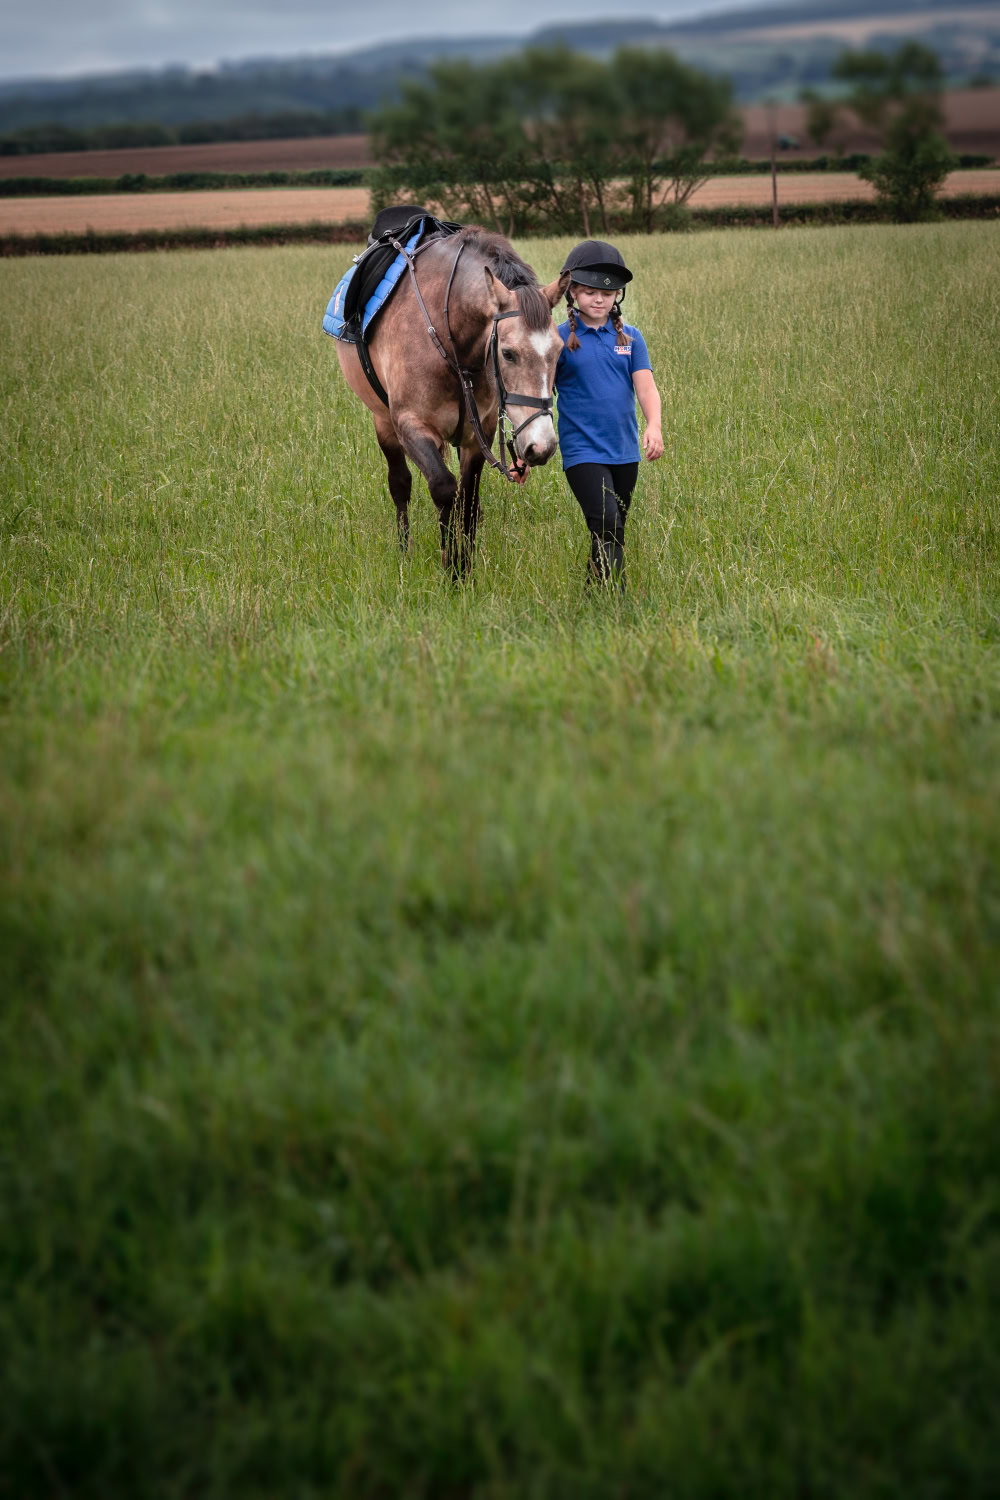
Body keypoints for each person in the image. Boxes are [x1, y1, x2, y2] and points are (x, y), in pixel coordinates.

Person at [554, 240, 663, 589]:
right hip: (582, 450)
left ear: (618, 295)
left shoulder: (631, 338)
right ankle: (617, 596)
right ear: (572, 292)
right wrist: (523, 455)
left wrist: (654, 425)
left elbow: (646, 389)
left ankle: (594, 593)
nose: (599, 300)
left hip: (624, 451)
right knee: (606, 519)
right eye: (589, 292)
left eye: (607, 293)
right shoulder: (557, 340)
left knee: (610, 528)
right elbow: (538, 397)